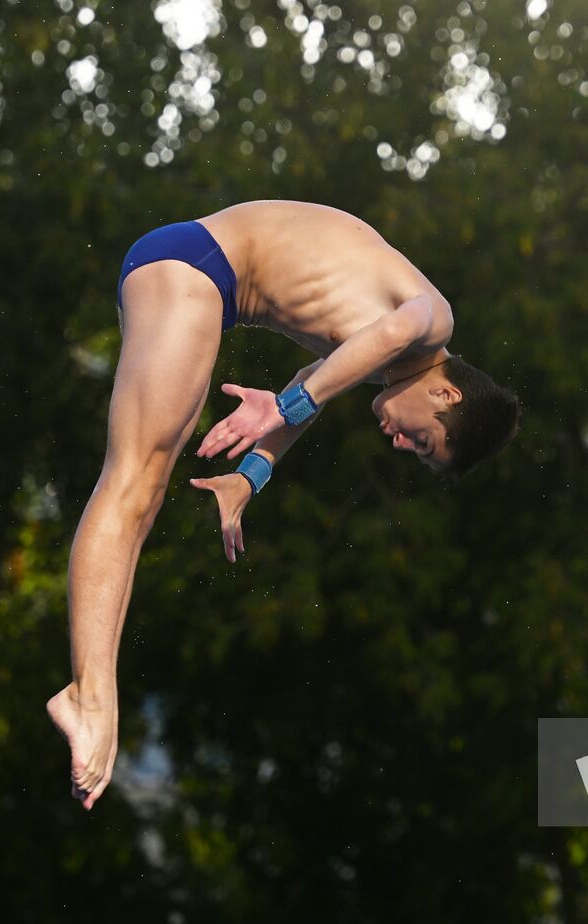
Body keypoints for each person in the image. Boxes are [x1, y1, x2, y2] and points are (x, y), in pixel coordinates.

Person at [46, 200, 520, 810]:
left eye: (413, 452)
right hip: (197, 267)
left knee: (145, 494)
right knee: (132, 483)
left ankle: (92, 692)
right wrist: (287, 407)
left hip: (194, 276)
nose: (400, 443)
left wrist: (249, 476)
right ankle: (88, 695)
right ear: (448, 392)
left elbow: (312, 381)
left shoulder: (387, 359)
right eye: (421, 439)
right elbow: (349, 363)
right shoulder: (430, 325)